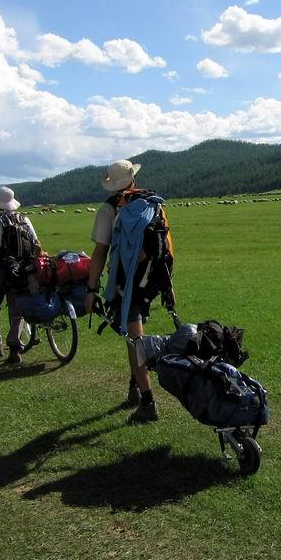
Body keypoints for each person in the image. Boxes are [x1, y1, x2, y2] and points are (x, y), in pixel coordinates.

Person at [86, 159, 172, 423]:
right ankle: (134, 388)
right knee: (132, 334)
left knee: (136, 340)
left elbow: (100, 252)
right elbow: (166, 247)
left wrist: (91, 288)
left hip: (127, 282)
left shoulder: (109, 210)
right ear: (133, 179)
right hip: (152, 281)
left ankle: (148, 402)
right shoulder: (153, 203)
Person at [0, 186, 41, 365]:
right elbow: (37, 245)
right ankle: (15, 350)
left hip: (0, 269)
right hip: (21, 270)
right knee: (16, 310)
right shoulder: (24, 219)